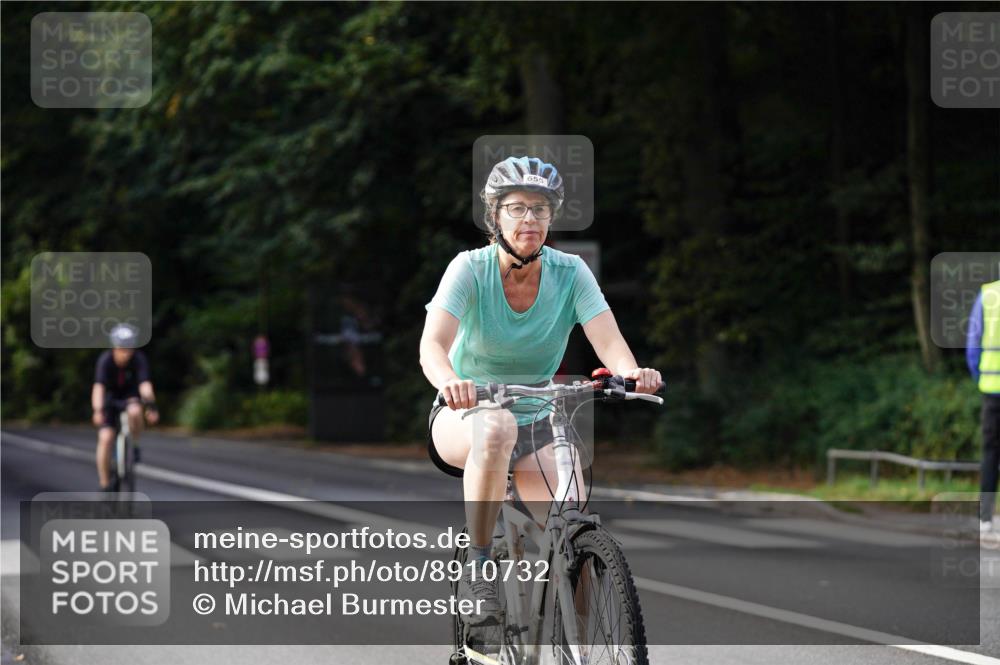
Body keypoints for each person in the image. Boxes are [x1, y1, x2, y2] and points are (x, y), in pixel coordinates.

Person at [419, 155, 661, 623]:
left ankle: (580, 646)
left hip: (537, 417)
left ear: (551, 216)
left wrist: (632, 373)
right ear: (496, 216)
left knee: (570, 526)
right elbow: (433, 344)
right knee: (495, 428)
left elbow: (609, 340)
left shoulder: (570, 272)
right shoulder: (469, 269)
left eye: (540, 209)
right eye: (516, 208)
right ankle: (479, 564)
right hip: (464, 416)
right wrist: (450, 380)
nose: (529, 218)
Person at [91, 323, 158, 491]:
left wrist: (151, 406)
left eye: (129, 348)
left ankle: (134, 445)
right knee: (105, 438)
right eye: (122, 348)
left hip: (130, 398)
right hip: (110, 401)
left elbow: (145, 385)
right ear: (114, 346)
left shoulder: (138, 359)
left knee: (135, 411)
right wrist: (98, 410)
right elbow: (99, 387)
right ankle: (105, 483)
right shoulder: (105, 360)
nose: (126, 353)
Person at [967, 277, 1000, 533]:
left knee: (990, 453)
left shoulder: (988, 294)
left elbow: (973, 344)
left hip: (992, 390)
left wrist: (981, 377)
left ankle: (985, 517)